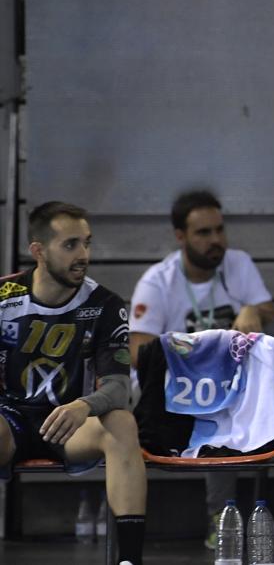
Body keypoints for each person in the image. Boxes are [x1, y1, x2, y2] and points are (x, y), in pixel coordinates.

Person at [127, 189, 274, 546]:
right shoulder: (158, 281)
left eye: (219, 230)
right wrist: (192, 351)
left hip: (222, 385)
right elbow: (137, 351)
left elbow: (268, 310)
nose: (216, 241)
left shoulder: (237, 263)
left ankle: (220, 516)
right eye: (204, 233)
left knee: (228, 402)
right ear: (180, 237)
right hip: (168, 388)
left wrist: (255, 310)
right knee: (214, 404)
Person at [1, 202, 146, 565]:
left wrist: (84, 406)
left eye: (87, 243)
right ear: (38, 251)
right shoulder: (3, 298)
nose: (83, 255)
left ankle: (129, 560)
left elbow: (118, 388)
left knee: (122, 423)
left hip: (72, 424)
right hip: (10, 420)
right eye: (70, 245)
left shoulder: (105, 304)